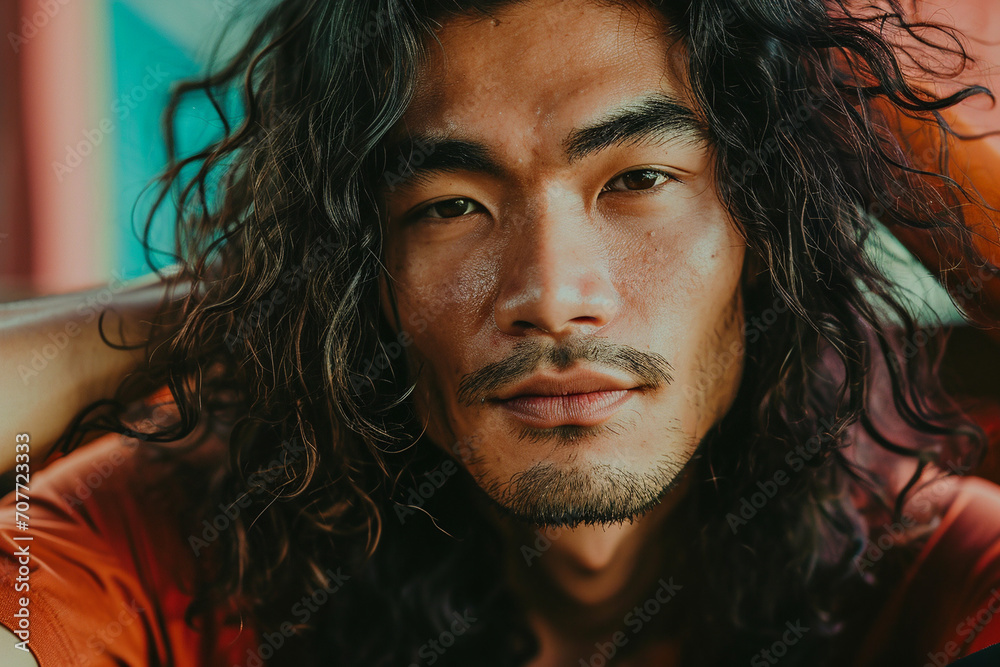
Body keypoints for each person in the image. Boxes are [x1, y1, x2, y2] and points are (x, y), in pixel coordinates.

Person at [2, 0, 1000, 665]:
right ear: (362, 264)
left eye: (639, 180)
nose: (552, 294)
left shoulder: (928, 575)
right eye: (448, 204)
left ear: (765, 225)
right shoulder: (182, 549)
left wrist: (792, 31)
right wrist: (256, 300)